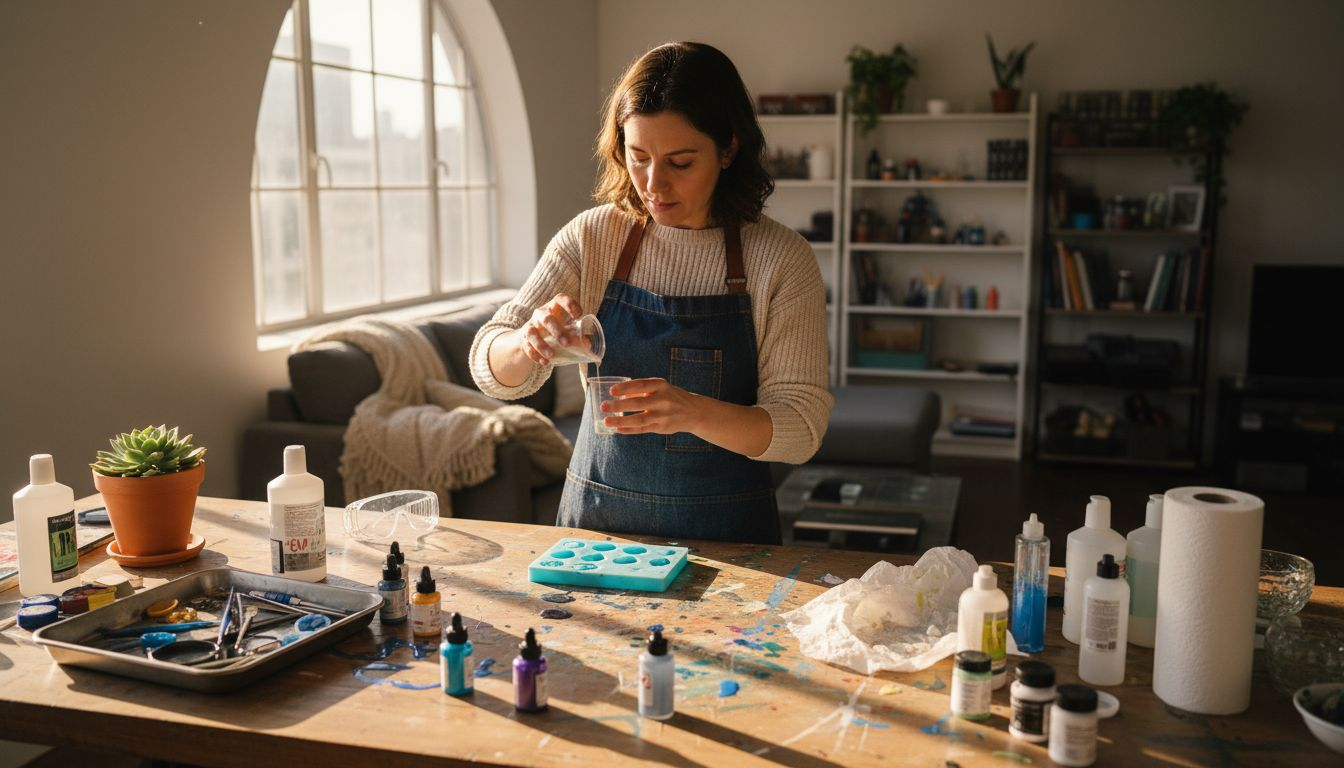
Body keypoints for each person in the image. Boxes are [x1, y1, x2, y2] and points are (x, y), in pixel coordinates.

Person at [469, 42, 832, 545]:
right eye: (638, 157)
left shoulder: (781, 259)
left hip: (729, 542)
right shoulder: (594, 237)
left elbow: (801, 430)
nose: (653, 184)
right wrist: (527, 342)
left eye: (680, 163)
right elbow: (490, 368)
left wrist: (692, 411)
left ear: (728, 150)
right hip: (597, 531)